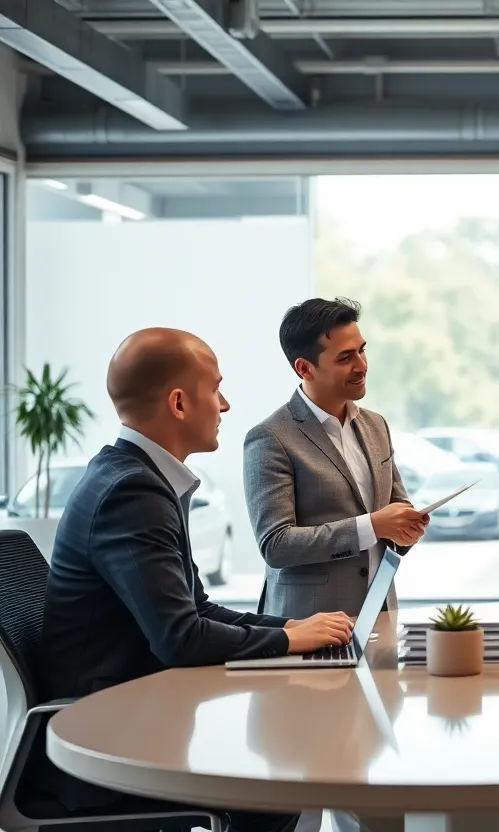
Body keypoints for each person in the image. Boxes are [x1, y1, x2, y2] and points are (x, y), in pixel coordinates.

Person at [38, 328, 353, 832]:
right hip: (113, 739)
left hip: (136, 712)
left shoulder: (136, 476)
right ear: (180, 403)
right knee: (276, 780)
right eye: (217, 388)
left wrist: (291, 626)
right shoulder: (132, 492)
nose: (226, 405)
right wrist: (288, 638)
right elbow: (180, 638)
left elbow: (196, 608)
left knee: (279, 757)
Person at [244, 297, 428, 621]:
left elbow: (393, 514)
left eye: (362, 350)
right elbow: (276, 545)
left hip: (379, 616)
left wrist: (405, 529)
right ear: (304, 368)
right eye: (346, 357)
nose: (362, 365)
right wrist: (372, 526)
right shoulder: (271, 438)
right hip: (306, 624)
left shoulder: (376, 425)